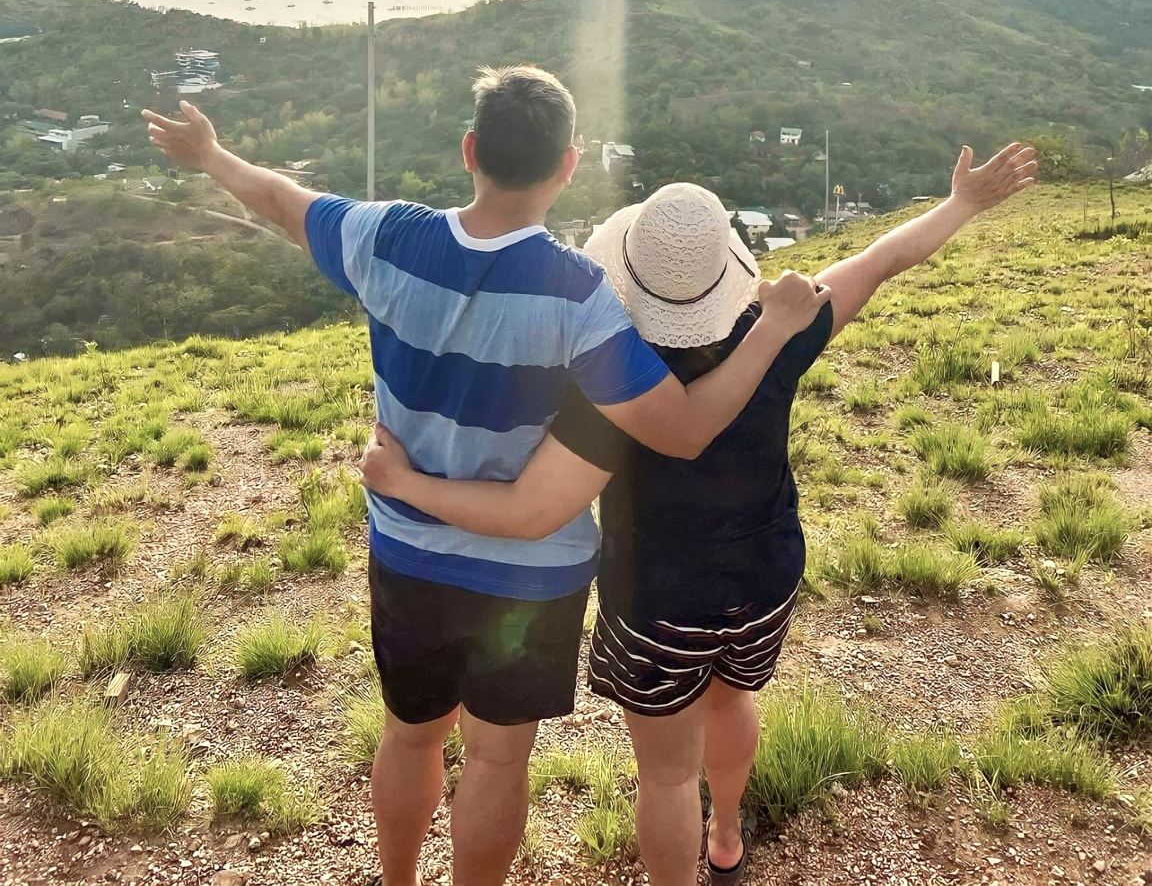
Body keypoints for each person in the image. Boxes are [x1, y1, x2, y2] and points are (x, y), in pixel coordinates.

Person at [141, 66, 829, 886]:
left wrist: (213, 155)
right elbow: (681, 431)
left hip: (408, 556)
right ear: (569, 165)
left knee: (408, 736)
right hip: (528, 586)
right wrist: (771, 331)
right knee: (498, 764)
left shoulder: (385, 236)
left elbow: (282, 200)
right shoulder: (581, 296)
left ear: (470, 150)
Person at [362, 143, 1037, 886]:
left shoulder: (606, 366)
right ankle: (726, 837)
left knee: (666, 777)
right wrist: (963, 203)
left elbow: (534, 486)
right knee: (733, 697)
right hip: (764, 576)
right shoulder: (777, 332)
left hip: (658, 599)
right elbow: (879, 260)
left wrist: (405, 476)